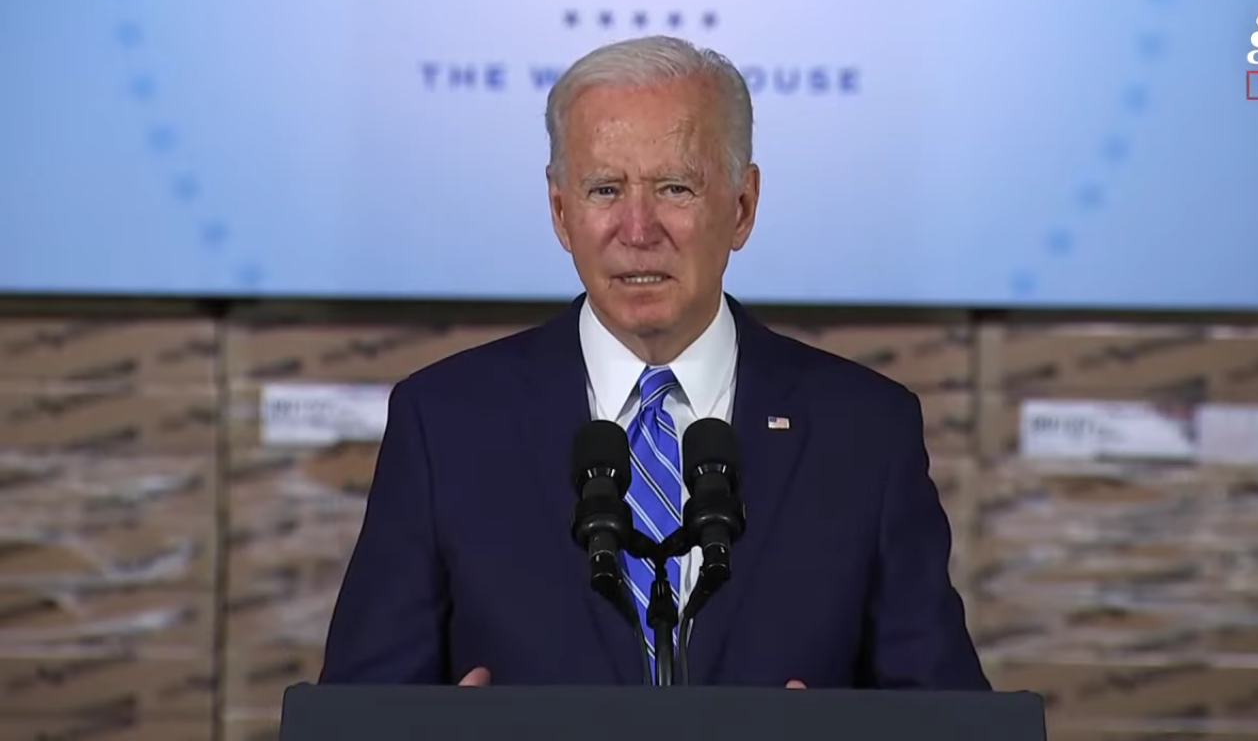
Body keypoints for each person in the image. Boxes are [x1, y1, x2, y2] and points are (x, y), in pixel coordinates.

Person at [317, 35, 989, 690]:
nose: (637, 231)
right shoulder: (446, 425)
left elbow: (948, 718)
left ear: (743, 208)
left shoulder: (864, 432)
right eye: (604, 190)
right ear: (559, 211)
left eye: (674, 188)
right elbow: (358, 711)